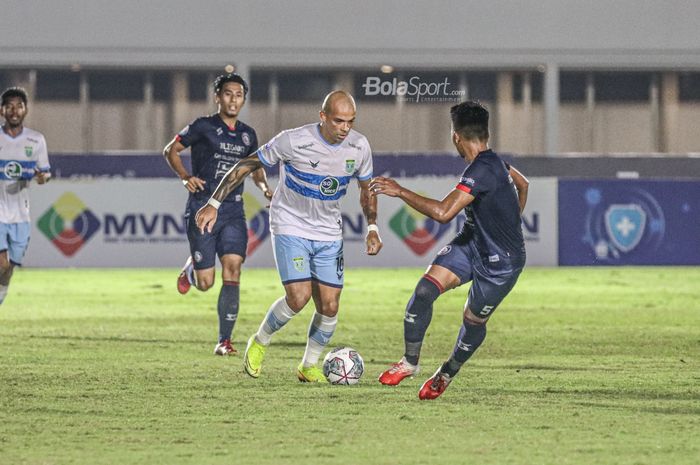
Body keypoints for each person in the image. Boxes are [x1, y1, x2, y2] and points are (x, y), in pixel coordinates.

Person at [196, 90, 382, 382]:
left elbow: (366, 188)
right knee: (298, 298)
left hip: (328, 230)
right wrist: (214, 203)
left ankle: (308, 366)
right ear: (323, 117)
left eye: (350, 121)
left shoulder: (359, 146)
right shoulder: (293, 140)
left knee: (330, 305)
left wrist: (372, 226)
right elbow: (247, 165)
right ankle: (260, 340)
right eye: (338, 121)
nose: (345, 128)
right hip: (289, 223)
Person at [371, 101, 529, 400]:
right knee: (424, 292)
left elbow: (443, 212)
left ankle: (446, 372)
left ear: (455, 136)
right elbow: (524, 185)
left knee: (473, 321)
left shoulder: (481, 170)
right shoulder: (495, 163)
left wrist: (400, 190)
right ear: (486, 133)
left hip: (502, 264)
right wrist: (511, 219)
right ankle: (409, 362)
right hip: (472, 243)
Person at [163, 73, 272, 356]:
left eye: (238, 94)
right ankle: (191, 269)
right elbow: (170, 150)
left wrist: (263, 187)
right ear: (217, 97)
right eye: (228, 93)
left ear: (243, 100)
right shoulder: (203, 126)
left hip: (233, 210)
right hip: (202, 208)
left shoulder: (248, 134)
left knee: (233, 268)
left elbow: (255, 166)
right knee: (205, 283)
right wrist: (185, 176)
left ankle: (224, 340)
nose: (233, 99)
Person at [0, 87, 51, 305]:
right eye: (9, 106)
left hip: (21, 215)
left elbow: (45, 173)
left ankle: (2, 293)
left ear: (25, 110)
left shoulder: (36, 140)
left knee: (9, 268)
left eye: (18, 106)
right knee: (2, 263)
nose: (14, 110)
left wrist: (42, 178)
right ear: (2, 110)